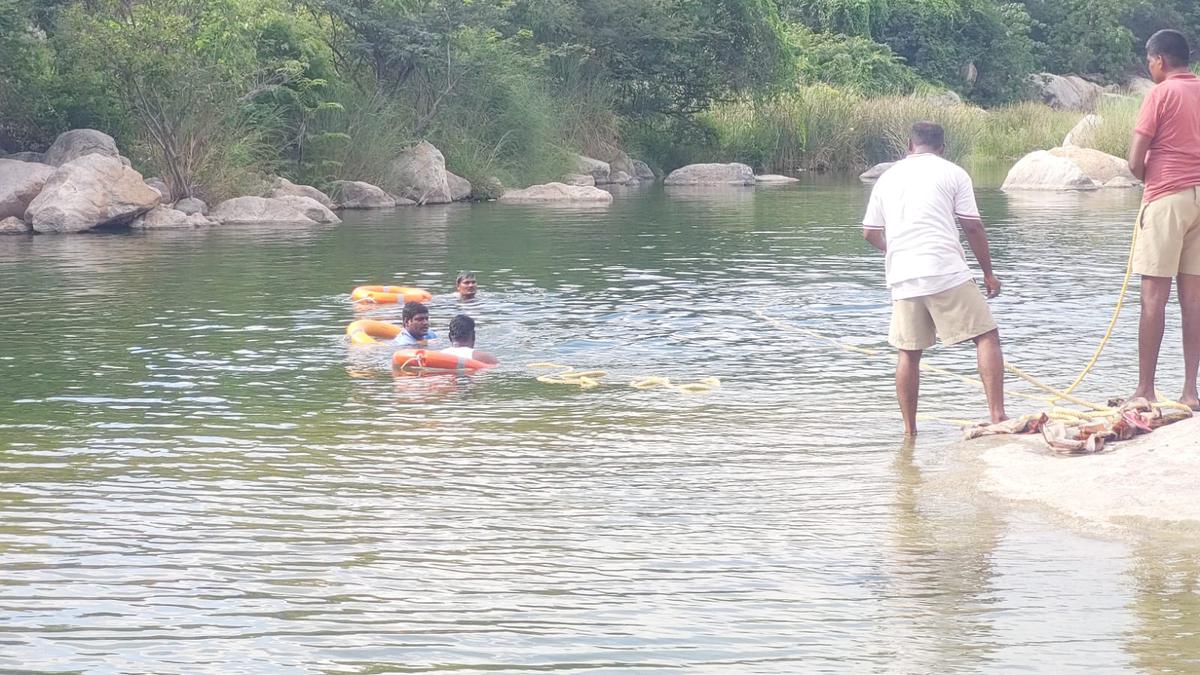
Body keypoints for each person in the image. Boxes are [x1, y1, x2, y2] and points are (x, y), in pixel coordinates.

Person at [862, 121, 1007, 437]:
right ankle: (998, 417)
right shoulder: (953, 173)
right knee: (986, 336)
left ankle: (909, 432)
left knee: (908, 354)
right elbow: (973, 227)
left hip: (903, 276)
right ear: (942, 148)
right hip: (945, 270)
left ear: (909, 146)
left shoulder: (887, 178)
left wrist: (895, 250)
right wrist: (988, 273)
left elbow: (870, 233)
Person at [1126, 29, 1200, 410]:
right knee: (1194, 299)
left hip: (1167, 197)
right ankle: (1191, 390)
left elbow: (1136, 159)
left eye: (1149, 61)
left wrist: (1148, 179)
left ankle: (1145, 390)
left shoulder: (1161, 93)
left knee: (1153, 296)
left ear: (1159, 61)